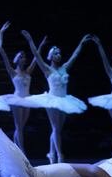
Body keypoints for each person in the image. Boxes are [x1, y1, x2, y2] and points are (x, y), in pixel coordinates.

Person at [22, 30, 90, 163]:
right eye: (56, 53)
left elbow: (75, 56)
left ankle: (52, 153)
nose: (59, 55)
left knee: (58, 129)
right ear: (51, 56)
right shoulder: (47, 69)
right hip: (52, 100)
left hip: (64, 100)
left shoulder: (64, 67)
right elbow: (36, 54)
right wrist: (30, 40)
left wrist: (81, 43)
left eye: (59, 53)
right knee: (56, 128)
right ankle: (60, 156)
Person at [0, 33, 47, 152]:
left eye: (24, 56)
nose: (23, 58)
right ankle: (22, 151)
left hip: (27, 99)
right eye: (21, 56)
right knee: (19, 127)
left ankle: (15, 149)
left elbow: (36, 58)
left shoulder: (28, 71)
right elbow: (4, 57)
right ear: (16, 59)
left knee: (21, 127)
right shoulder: (13, 72)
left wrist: (41, 46)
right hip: (17, 99)